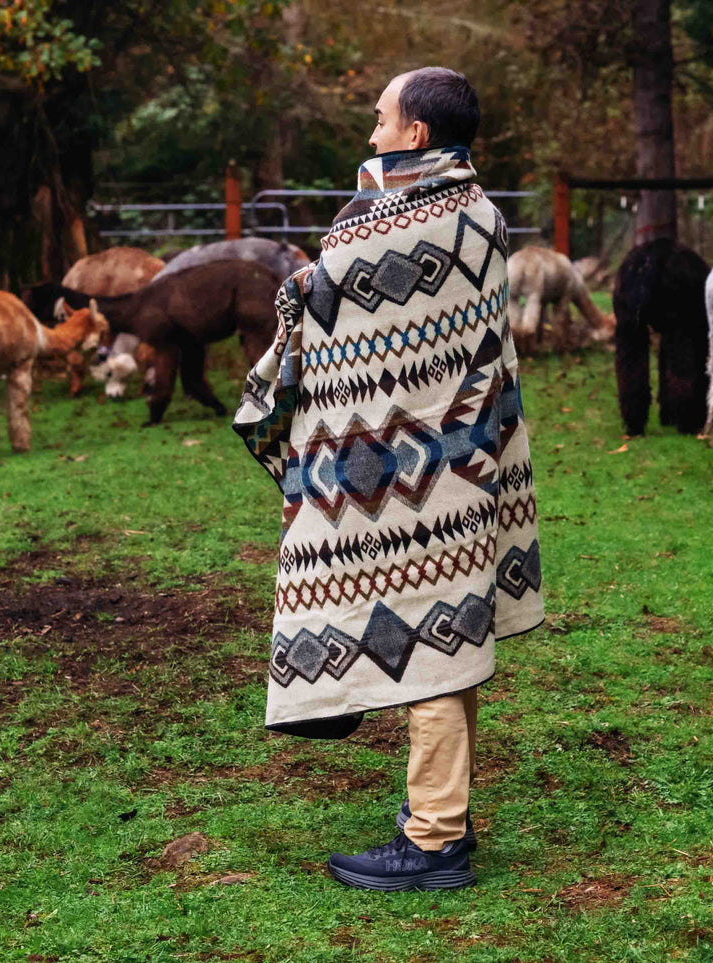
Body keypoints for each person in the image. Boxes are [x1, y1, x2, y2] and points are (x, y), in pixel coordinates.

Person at [232, 67, 544, 892]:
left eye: (379, 122)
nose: (369, 136)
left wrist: (297, 292)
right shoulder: (482, 218)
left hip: (396, 477)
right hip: (467, 462)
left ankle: (435, 841)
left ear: (414, 135)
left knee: (426, 636)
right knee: (455, 624)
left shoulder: (372, 221)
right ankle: (442, 813)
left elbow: (325, 305)